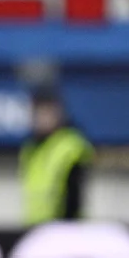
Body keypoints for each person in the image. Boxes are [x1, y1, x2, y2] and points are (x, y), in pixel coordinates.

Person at [19, 87, 94, 225]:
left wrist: (67, 227)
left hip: (62, 228)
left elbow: (74, 197)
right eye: (38, 112)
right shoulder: (31, 148)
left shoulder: (71, 145)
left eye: (47, 112)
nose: (42, 118)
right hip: (35, 227)